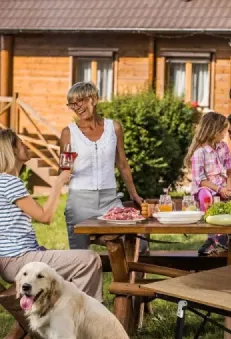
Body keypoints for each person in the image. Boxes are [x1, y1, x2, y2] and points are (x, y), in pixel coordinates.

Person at [0, 128, 103, 302]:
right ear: (13, 150)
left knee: (74, 265)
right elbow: (45, 217)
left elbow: (31, 215)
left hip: (13, 260)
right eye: (22, 143)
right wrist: (58, 183)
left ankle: (68, 316)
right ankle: (87, 318)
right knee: (89, 259)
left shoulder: (4, 181)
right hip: (18, 260)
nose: (27, 145)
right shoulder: (9, 182)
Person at [60, 82, 143, 250]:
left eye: (80, 101)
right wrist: (66, 169)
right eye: (72, 103)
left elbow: (122, 164)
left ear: (94, 99)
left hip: (110, 200)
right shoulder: (68, 133)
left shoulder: (114, 128)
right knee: (79, 256)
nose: (77, 107)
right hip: (79, 202)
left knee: (137, 245)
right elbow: (64, 170)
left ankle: (125, 276)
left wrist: (134, 194)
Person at [184, 112, 231, 255]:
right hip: (206, 189)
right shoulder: (199, 152)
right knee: (207, 198)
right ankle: (214, 239)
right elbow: (200, 180)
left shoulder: (223, 147)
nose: (226, 134)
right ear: (214, 131)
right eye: (223, 130)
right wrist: (219, 189)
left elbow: (229, 171)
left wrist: (228, 189)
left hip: (222, 188)